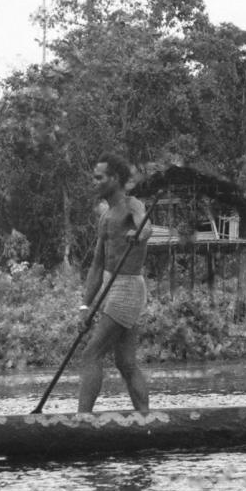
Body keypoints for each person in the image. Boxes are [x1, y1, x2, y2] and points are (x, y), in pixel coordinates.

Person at [77, 153, 153, 413]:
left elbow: (146, 226)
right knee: (126, 362)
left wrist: (138, 233)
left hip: (128, 286)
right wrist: (85, 307)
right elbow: (97, 265)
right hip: (111, 286)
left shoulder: (132, 205)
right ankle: (145, 419)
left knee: (91, 353)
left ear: (115, 179)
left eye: (99, 177)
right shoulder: (105, 216)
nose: (94, 182)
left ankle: (82, 420)